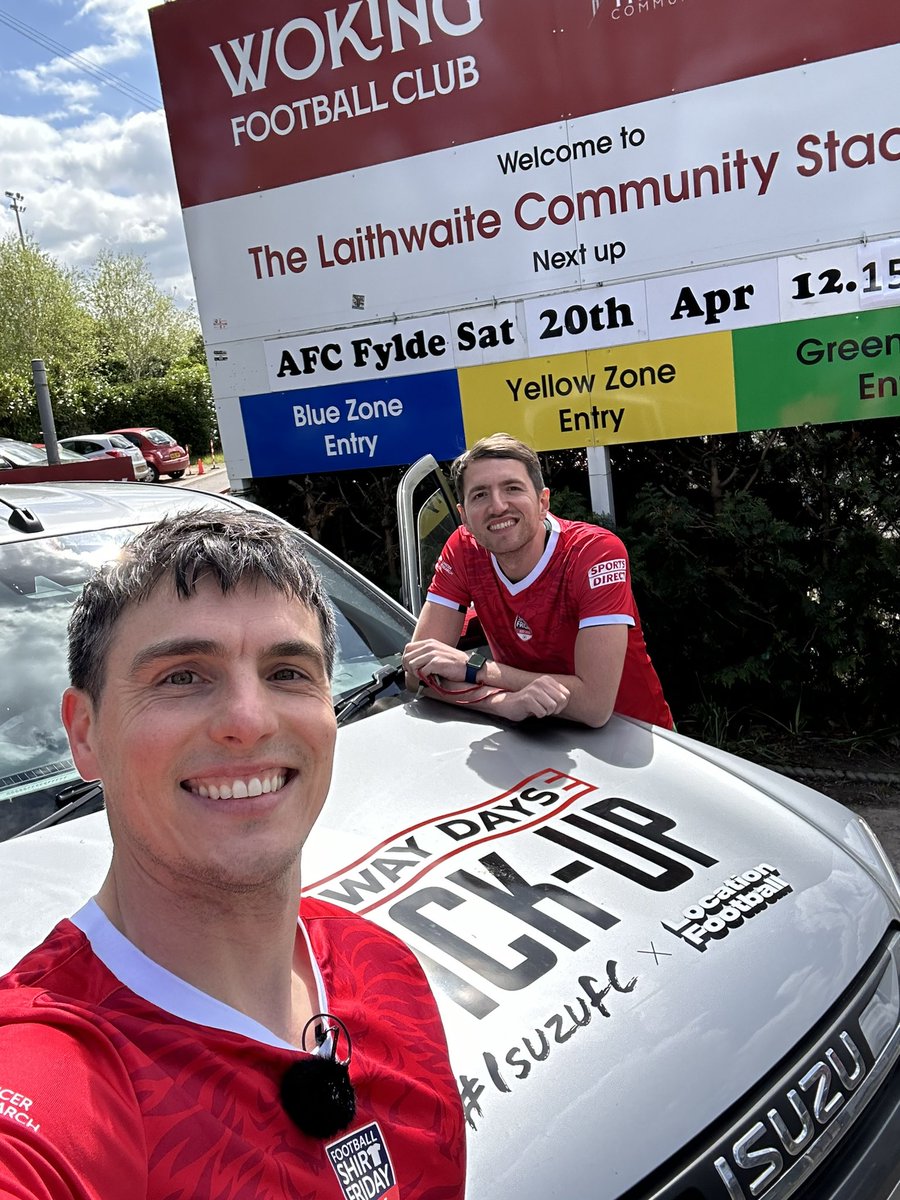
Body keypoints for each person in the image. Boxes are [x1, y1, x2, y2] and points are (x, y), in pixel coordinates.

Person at [0, 509, 465, 1200]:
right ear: (85, 732)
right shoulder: (53, 1070)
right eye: (182, 676)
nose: (249, 721)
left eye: (287, 672)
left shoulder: (383, 965)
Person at [402, 433, 672, 730]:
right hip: (533, 737)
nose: (498, 506)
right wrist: (504, 704)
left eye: (512, 488)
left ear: (543, 502)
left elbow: (594, 705)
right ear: (463, 516)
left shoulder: (594, 552)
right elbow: (417, 674)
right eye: (480, 494)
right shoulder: (463, 548)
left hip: (629, 736)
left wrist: (475, 670)